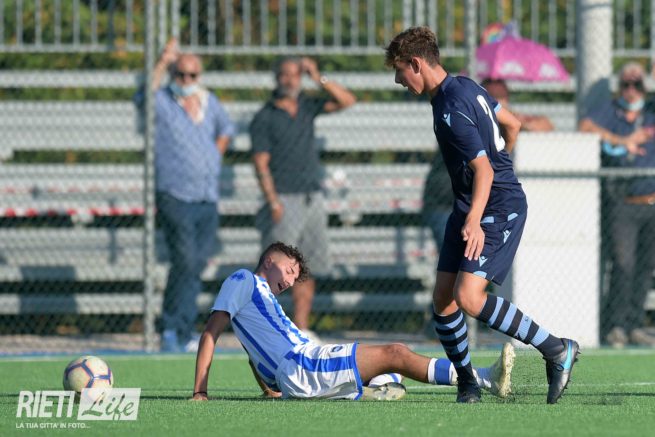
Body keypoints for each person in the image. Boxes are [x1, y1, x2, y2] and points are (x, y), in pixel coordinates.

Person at [385, 27, 579, 404]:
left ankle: (556, 349)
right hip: (471, 203)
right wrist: (501, 166)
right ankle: (468, 382)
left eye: (399, 71)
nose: (398, 80)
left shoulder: (449, 108)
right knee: (443, 299)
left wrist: (475, 218)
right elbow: (512, 124)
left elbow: (485, 171)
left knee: (469, 297)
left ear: (416, 64)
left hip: (495, 206)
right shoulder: (465, 85)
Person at [191, 242, 515, 401]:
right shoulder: (243, 279)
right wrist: (200, 392)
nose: (289, 280)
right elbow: (210, 332)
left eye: (293, 276)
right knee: (396, 353)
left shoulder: (260, 299)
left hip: (302, 366)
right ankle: (484, 378)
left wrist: (271, 391)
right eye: (288, 270)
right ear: (268, 260)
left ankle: (368, 390)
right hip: (303, 363)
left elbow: (253, 355)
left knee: (389, 370)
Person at [135, 38, 236, 352]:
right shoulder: (164, 101)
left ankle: (183, 329)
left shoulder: (208, 101)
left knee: (195, 264)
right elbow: (143, 98)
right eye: (180, 74)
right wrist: (162, 62)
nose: (186, 80)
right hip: (175, 194)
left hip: (207, 195)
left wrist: (214, 156)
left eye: (192, 75)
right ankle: (171, 328)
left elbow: (226, 129)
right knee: (185, 260)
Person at [249, 57, 357, 334]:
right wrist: (273, 201)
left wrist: (317, 77)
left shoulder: (307, 106)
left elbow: (347, 100)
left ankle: (302, 331)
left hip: (312, 199)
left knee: (305, 269)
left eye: (295, 75)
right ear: (276, 78)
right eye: (285, 74)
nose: (290, 80)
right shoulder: (265, 116)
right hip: (284, 200)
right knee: (275, 270)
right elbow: (260, 163)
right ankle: (264, 329)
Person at [579, 62, 655, 347]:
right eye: (626, 84)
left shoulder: (651, 111)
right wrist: (623, 140)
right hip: (624, 202)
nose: (632, 90)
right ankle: (617, 325)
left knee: (645, 267)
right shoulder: (610, 112)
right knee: (623, 264)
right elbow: (585, 127)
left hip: (652, 202)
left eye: (638, 84)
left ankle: (634, 323)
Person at [480, 78, 554, 132]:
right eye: (493, 96)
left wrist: (524, 125)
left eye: (501, 95)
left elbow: (548, 126)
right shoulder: (480, 121)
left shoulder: (517, 117)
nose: (498, 101)